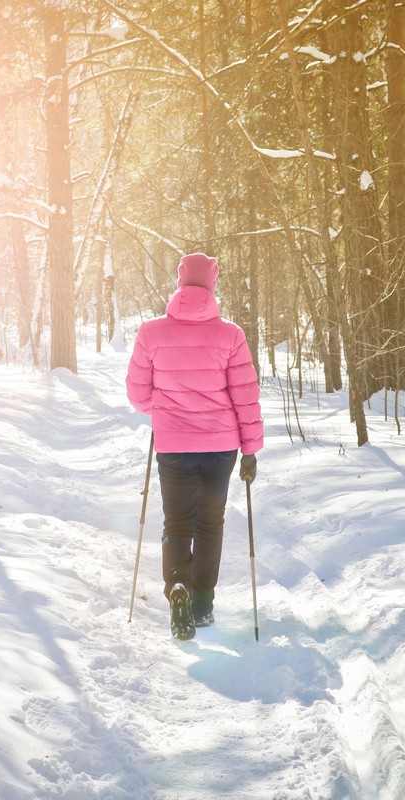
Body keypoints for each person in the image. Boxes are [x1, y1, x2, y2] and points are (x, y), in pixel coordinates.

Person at [126, 252, 264, 640]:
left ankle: (177, 587)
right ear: (213, 284)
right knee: (209, 523)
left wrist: (166, 409)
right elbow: (246, 397)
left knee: (177, 521)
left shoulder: (150, 332)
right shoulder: (231, 335)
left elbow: (138, 395)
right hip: (221, 447)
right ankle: (202, 605)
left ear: (179, 282)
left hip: (173, 445)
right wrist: (250, 450)